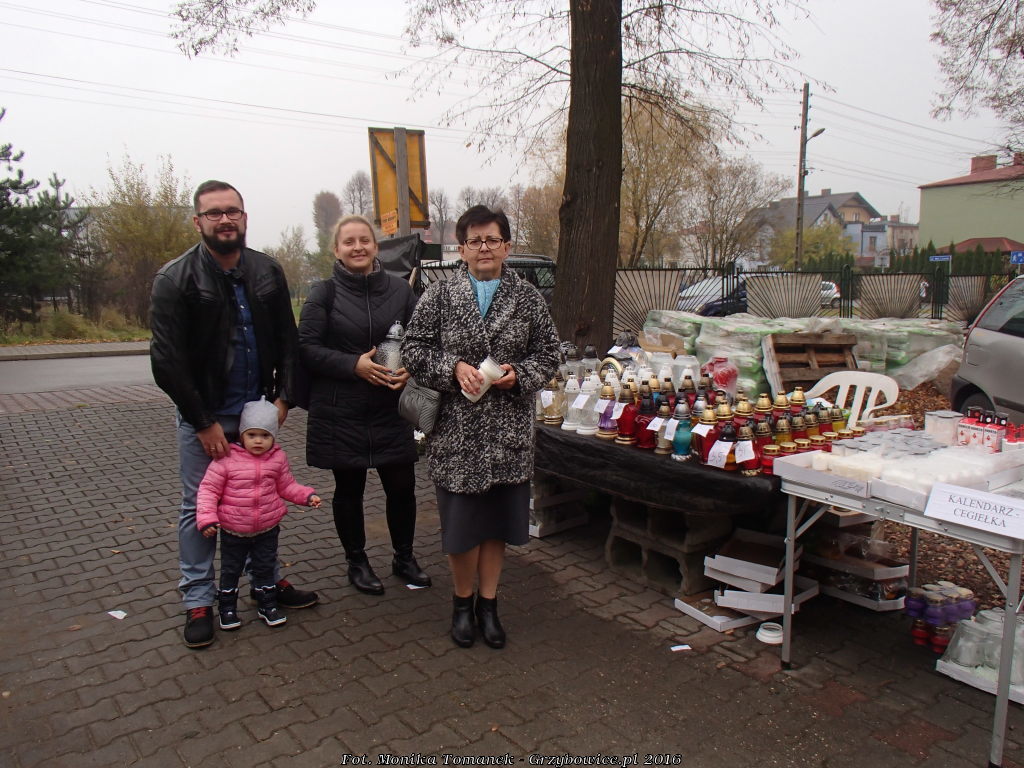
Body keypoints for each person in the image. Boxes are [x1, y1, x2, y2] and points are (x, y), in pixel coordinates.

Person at [150, 179, 317, 650]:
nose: (225, 219)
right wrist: (202, 422)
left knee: (261, 496)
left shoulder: (267, 270)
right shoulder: (175, 279)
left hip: (255, 414)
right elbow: (166, 360)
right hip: (204, 415)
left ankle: (268, 581)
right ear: (197, 221)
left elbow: (288, 340)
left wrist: (283, 399)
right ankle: (199, 600)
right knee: (198, 508)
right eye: (214, 212)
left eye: (232, 211)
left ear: (244, 217)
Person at [402, 205, 560, 649]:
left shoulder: (527, 297)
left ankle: (488, 605)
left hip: (508, 433)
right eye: (475, 241)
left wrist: (519, 375)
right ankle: (461, 603)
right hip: (457, 432)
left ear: (507, 246)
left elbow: (550, 354)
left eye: (492, 239)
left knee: (497, 525)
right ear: (462, 249)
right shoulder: (440, 295)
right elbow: (414, 349)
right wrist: (453, 368)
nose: (484, 247)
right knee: (462, 529)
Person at [298, 214, 430, 595]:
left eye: (364, 240)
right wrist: (352, 365)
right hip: (342, 409)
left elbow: (423, 338)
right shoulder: (323, 293)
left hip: (391, 408)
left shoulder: (400, 291)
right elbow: (306, 348)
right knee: (349, 489)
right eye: (349, 242)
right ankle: (356, 562)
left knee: (402, 486)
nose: (357, 247)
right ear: (336, 250)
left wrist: (411, 367)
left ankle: (404, 558)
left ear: (375, 246)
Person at [197, 397, 322, 629]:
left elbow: (287, 486)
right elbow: (208, 490)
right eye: (252, 435)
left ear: (273, 437)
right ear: (241, 435)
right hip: (234, 530)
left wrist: (306, 495)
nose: (258, 441)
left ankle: (268, 605)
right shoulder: (226, 460)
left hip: (267, 529)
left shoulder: (277, 459)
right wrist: (207, 518)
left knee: (265, 567)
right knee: (230, 570)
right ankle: (227, 609)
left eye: (265, 436)